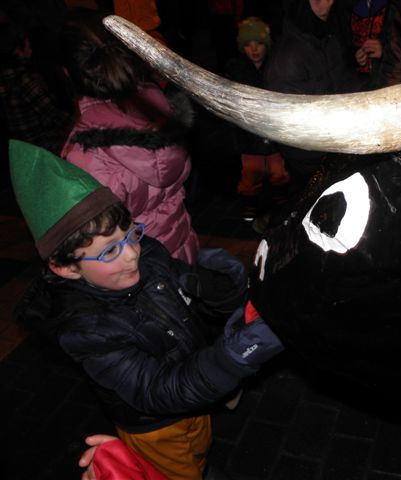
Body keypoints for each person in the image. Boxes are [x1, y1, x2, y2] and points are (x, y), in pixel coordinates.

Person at [10, 139, 284, 480]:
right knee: (177, 468)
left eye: (130, 234)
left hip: (197, 383)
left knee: (199, 445)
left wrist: (223, 287)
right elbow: (157, 391)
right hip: (155, 425)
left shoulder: (147, 252)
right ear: (65, 268)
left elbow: (181, 282)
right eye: (109, 251)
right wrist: (234, 356)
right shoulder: (84, 331)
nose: (132, 254)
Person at [58, 10, 199, 263]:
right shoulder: (163, 109)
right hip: (181, 249)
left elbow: (97, 244)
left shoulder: (86, 155)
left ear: (67, 73)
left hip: (137, 270)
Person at [264, 0, 364, 196]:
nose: (329, 3)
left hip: (338, 149)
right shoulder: (286, 59)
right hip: (312, 161)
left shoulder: (328, 37)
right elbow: (292, 128)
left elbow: (341, 83)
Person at [225, 16, 289, 229]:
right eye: (248, 45)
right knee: (251, 175)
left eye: (259, 43)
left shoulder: (277, 66)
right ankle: (250, 202)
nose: (254, 49)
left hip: (273, 137)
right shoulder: (236, 70)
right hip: (248, 138)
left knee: (279, 172)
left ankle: (281, 199)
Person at [0, 20, 72, 154]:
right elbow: (55, 115)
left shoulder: (6, 77)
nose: (30, 44)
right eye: (26, 41)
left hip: (23, 148)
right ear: (17, 49)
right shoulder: (25, 80)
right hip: (46, 146)